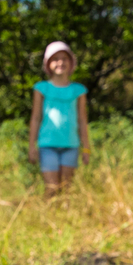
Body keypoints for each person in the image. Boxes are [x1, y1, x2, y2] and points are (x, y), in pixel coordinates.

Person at [28, 41, 90, 196]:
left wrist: (86, 148)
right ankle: (47, 218)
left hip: (71, 145)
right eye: (55, 59)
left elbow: (82, 120)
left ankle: (65, 218)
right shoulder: (41, 88)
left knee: (66, 189)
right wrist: (31, 146)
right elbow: (35, 118)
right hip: (47, 145)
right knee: (52, 188)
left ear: (71, 63)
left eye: (64, 58)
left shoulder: (78, 90)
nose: (60, 62)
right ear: (48, 64)